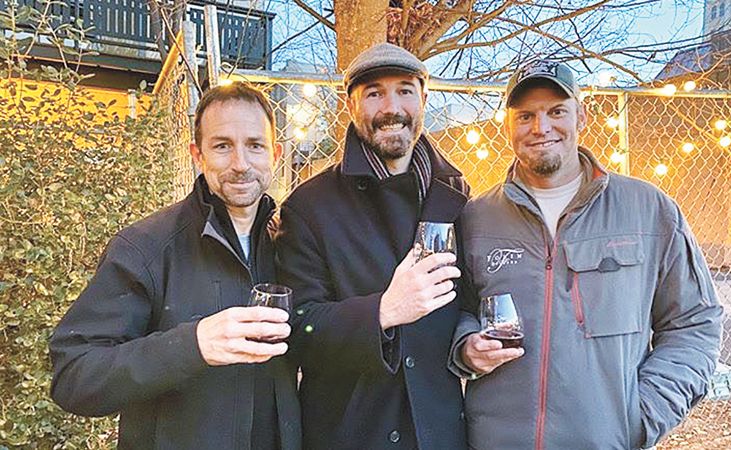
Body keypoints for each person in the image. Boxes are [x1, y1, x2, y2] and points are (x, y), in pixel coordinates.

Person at [448, 59, 723, 450]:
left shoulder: (648, 210)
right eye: (525, 115)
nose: (541, 128)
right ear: (507, 125)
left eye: (556, 111)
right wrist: (466, 348)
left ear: (582, 115)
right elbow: (456, 311)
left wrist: (643, 415)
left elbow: (694, 322)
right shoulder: (476, 218)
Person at [49, 82, 301, 449]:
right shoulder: (145, 248)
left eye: (255, 145)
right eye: (222, 146)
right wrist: (192, 345)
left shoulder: (289, 245)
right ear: (197, 155)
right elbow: (74, 377)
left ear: (275, 154)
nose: (240, 164)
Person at [275, 43, 469, 450]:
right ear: (351, 105)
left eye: (404, 90)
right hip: (350, 432)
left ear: (424, 99)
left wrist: (472, 343)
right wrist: (383, 311)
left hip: (438, 434)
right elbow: (297, 327)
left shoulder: (456, 196)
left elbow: (469, 304)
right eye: (374, 93)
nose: (391, 107)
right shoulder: (309, 207)